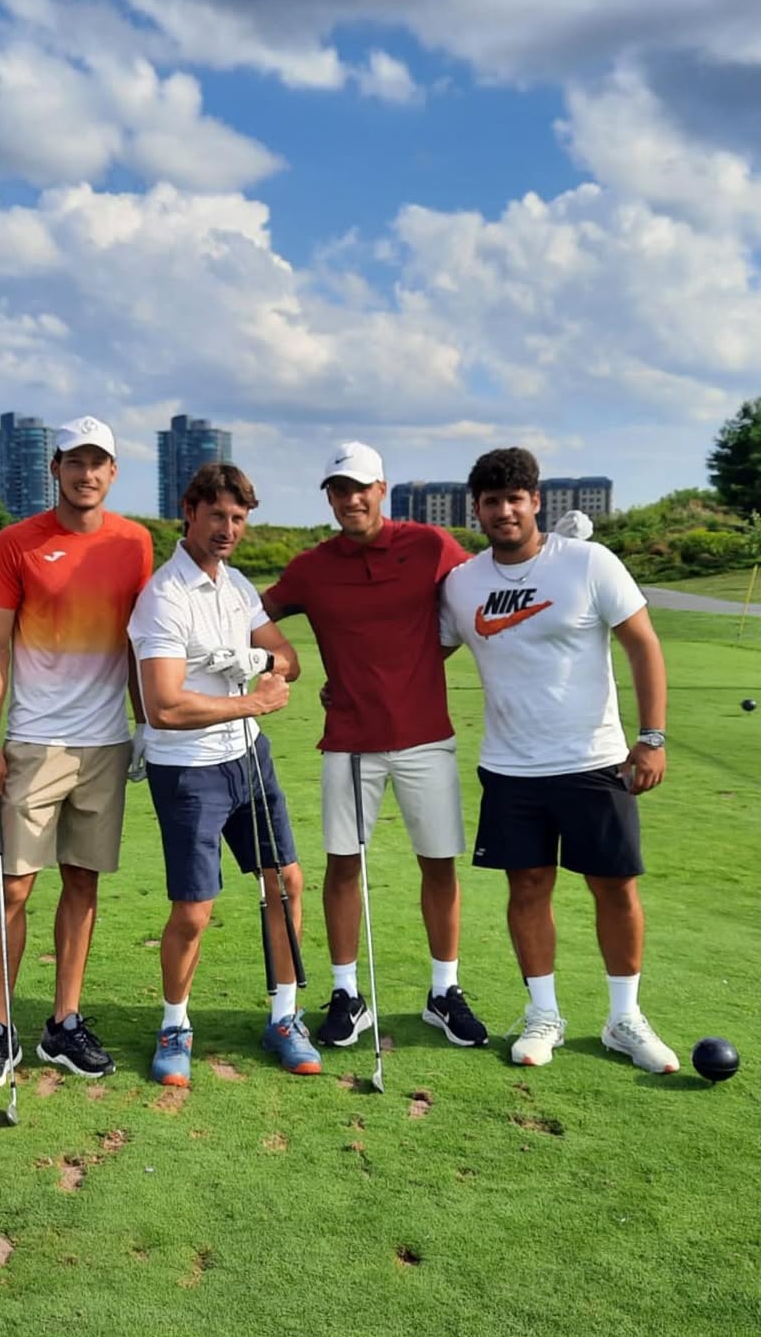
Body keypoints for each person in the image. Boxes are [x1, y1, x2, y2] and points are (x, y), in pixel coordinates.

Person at [439, 446, 678, 1072]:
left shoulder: (589, 563)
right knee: (529, 888)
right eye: (492, 502)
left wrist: (651, 737)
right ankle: (543, 1013)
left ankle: (623, 1019)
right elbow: (418, 656)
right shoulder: (463, 583)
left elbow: (643, 646)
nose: (505, 511)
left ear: (535, 501)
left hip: (595, 762)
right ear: (478, 510)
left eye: (516, 499)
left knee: (615, 888)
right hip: (512, 768)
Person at [263, 441, 489, 1051]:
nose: (351, 499)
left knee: (438, 863)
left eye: (361, 487)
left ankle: (444, 992)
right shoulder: (312, 566)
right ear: (330, 497)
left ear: (382, 489)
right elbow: (255, 612)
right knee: (343, 865)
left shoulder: (430, 546)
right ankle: (346, 994)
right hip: (350, 741)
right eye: (339, 490)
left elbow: (482, 594)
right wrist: (272, 660)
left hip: (425, 737)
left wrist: (427, 657)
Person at [0, 416, 153, 1088]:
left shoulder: (136, 542)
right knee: (14, 884)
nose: (86, 473)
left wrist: (147, 723)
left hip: (106, 741)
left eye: (98, 462)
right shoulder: (17, 543)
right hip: (35, 739)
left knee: (82, 880)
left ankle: (63, 1023)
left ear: (112, 472)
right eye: (75, 461)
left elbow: (140, 643)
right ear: (56, 468)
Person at [128, 463, 320, 1087]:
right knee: (194, 910)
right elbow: (164, 705)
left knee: (285, 882)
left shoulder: (237, 587)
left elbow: (287, 658)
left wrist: (260, 660)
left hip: (248, 760)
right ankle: (174, 1025)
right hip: (188, 771)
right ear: (190, 511)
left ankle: (284, 1018)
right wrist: (252, 699)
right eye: (217, 516)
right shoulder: (164, 595)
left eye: (239, 519)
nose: (228, 529)